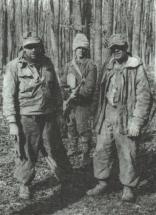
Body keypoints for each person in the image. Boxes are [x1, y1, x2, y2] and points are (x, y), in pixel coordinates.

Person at [3, 32, 71, 199]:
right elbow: (8, 96)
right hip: (27, 118)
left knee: (55, 148)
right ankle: (24, 184)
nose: (33, 50)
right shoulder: (14, 67)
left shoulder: (47, 64)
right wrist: (12, 122)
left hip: (48, 116)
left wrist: (60, 113)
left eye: (36, 46)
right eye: (29, 47)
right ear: (23, 49)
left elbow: (55, 90)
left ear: (42, 47)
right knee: (26, 152)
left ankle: (65, 179)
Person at [86, 33, 152, 202]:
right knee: (102, 150)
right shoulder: (107, 66)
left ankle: (128, 187)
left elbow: (144, 97)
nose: (116, 51)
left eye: (119, 48)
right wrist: (95, 115)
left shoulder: (136, 67)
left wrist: (137, 121)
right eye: (113, 48)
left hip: (126, 115)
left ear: (126, 48)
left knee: (127, 152)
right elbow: (98, 94)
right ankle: (102, 182)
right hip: (107, 113)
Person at [61, 33, 97, 167]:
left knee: (83, 129)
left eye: (83, 48)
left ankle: (86, 154)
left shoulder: (90, 65)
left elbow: (89, 88)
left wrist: (78, 93)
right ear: (74, 50)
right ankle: (72, 148)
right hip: (71, 103)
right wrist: (67, 93)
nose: (80, 50)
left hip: (83, 104)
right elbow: (62, 83)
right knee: (71, 127)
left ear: (86, 50)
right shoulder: (69, 65)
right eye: (78, 48)